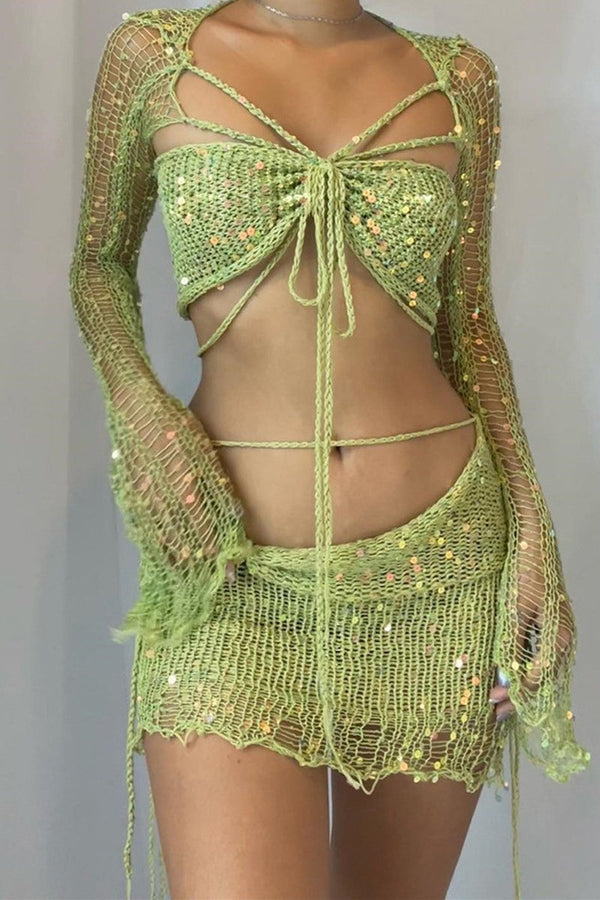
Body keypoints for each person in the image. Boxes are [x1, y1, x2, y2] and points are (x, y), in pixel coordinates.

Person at [69, 1, 590, 898]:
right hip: (234, 581)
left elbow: (469, 325)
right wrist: (137, 402)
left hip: (443, 581)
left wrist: (536, 541)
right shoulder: (153, 55)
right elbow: (97, 264)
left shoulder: (458, 79)